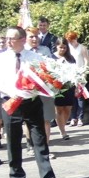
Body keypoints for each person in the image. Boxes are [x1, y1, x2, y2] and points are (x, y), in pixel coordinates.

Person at [0, 27, 63, 178]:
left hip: (32, 102)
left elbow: (43, 79)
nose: (8, 42)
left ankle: (48, 177)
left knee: (39, 139)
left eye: (12, 39)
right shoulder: (0, 58)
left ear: (22, 40)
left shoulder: (34, 57)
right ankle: (16, 177)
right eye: (7, 38)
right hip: (11, 102)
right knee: (13, 140)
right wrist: (14, 93)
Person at [25, 27, 56, 156]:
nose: (34, 39)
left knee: (46, 119)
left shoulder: (45, 50)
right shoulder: (23, 52)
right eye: (31, 36)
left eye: (36, 36)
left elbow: (52, 67)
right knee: (29, 120)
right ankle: (30, 145)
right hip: (29, 91)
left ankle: (45, 148)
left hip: (45, 89)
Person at [54, 37, 76, 140]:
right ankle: (62, 131)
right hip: (58, 86)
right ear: (56, 46)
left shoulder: (71, 58)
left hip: (69, 86)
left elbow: (75, 71)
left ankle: (63, 125)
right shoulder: (52, 57)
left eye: (64, 47)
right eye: (60, 47)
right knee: (59, 109)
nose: (62, 49)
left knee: (67, 108)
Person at [65, 31, 89, 127]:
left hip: (80, 75)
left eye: (72, 40)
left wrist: (84, 73)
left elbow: (87, 61)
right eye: (69, 41)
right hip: (70, 75)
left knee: (80, 97)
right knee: (72, 97)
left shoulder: (82, 48)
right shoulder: (67, 49)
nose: (71, 42)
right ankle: (73, 117)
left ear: (76, 39)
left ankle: (80, 118)